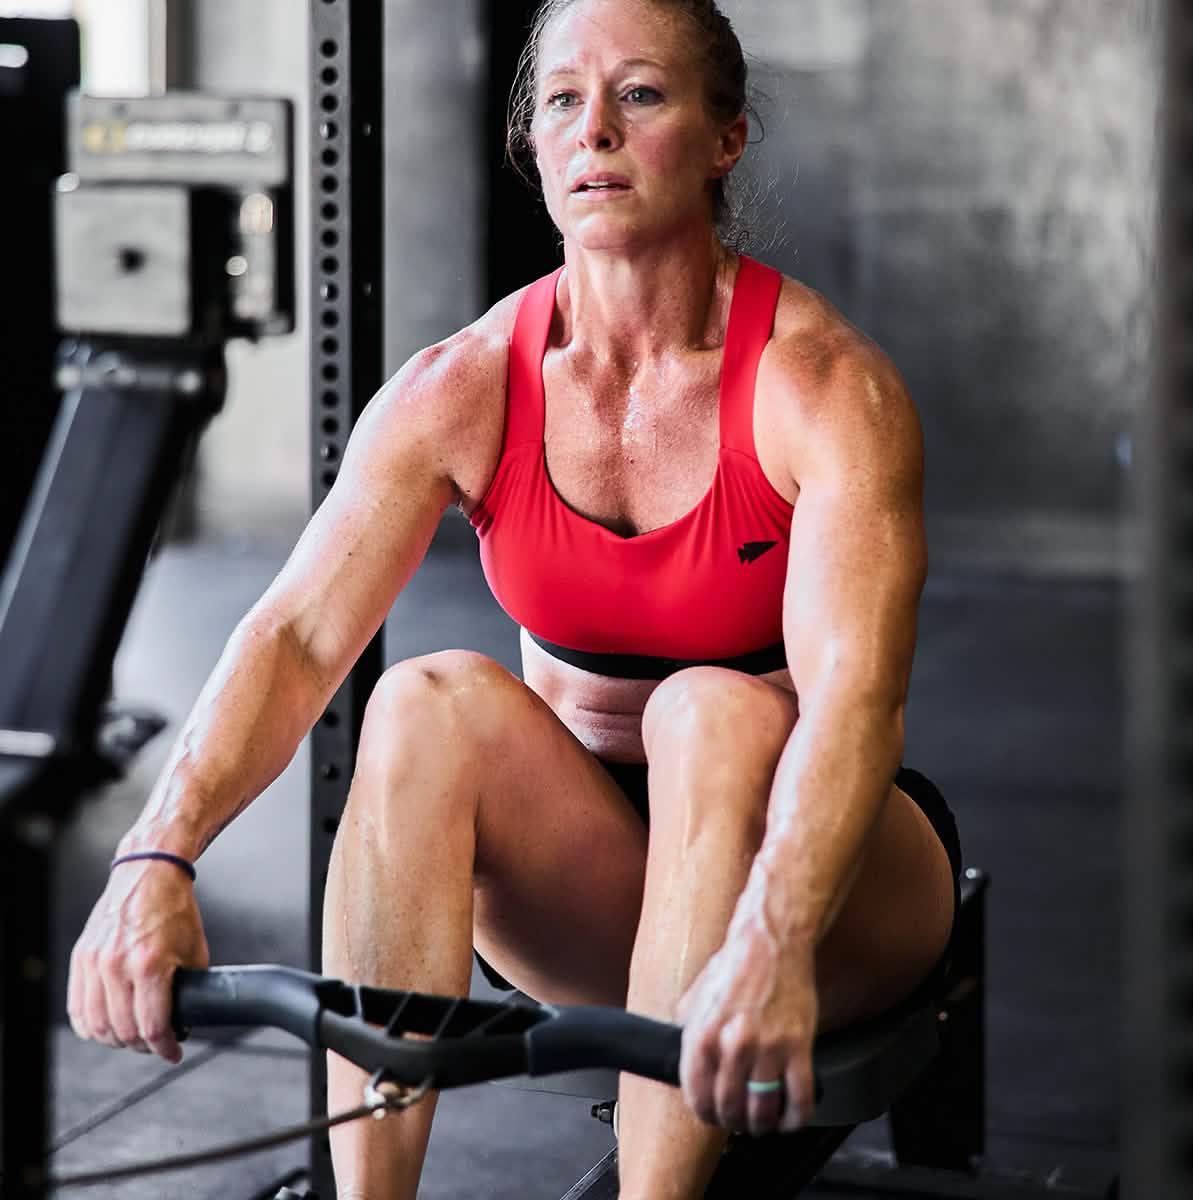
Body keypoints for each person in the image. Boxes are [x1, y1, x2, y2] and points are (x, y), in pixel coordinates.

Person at [67, 0, 964, 1196]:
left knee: (709, 711)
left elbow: (854, 705)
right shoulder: (468, 383)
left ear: (723, 137)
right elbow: (292, 636)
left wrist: (775, 934)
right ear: (533, 146)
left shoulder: (822, 387)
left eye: (639, 95)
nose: (593, 129)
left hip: (830, 879)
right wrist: (153, 858)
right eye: (561, 102)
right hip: (595, 884)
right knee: (423, 700)